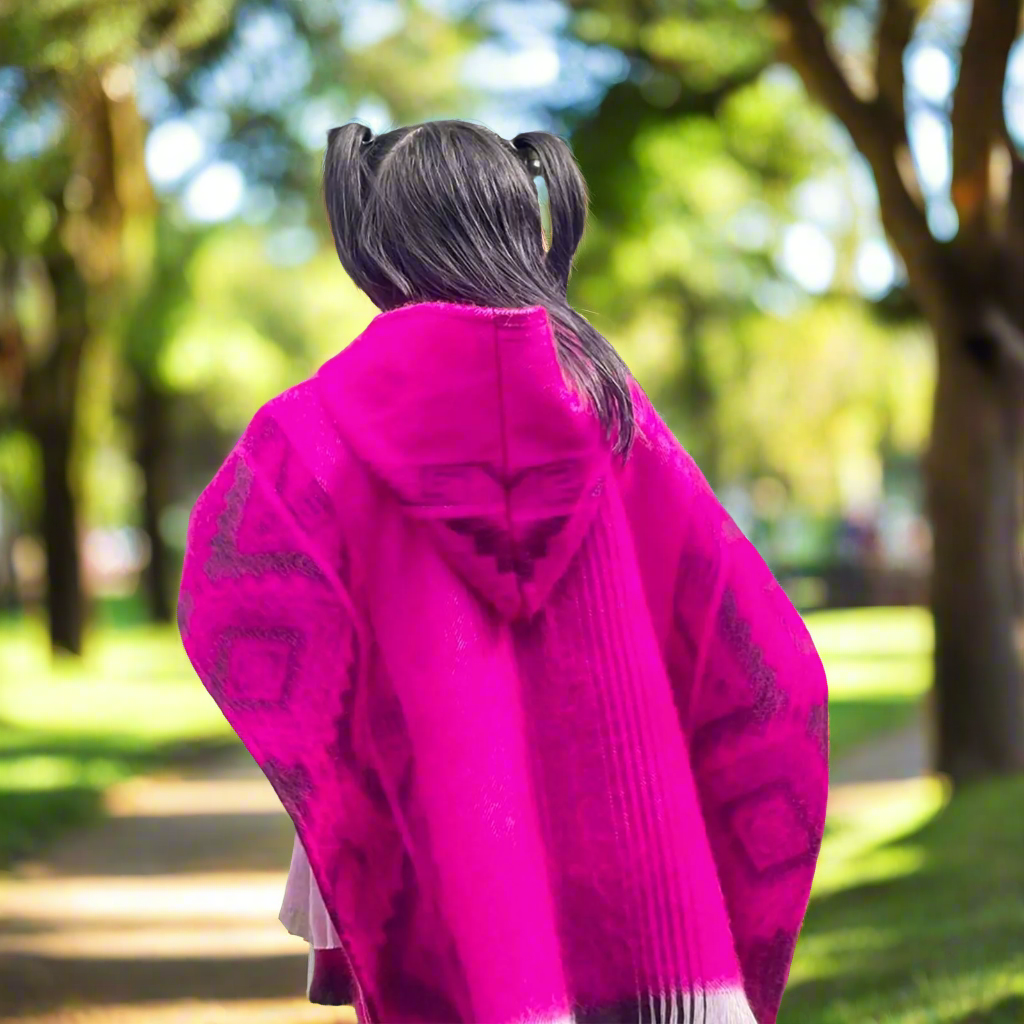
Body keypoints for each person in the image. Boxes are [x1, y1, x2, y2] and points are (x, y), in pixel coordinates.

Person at [177, 119, 829, 1024]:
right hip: (656, 909)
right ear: (525, 222)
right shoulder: (610, 413)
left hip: (454, 892)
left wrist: (350, 808)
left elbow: (235, 597)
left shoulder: (309, 435)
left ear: (377, 240)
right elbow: (765, 658)